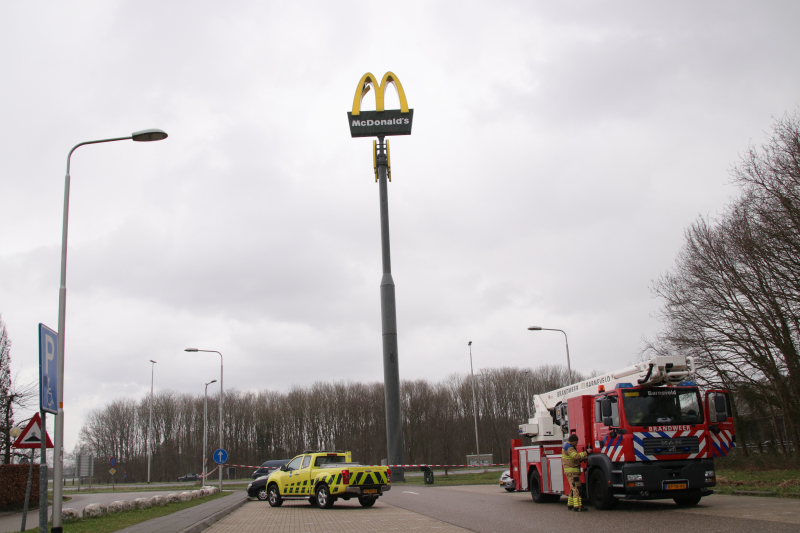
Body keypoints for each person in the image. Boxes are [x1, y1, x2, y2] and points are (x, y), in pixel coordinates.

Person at [562, 433, 591, 512]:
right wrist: (586, 452)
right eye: (576, 441)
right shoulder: (569, 447)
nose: (577, 443)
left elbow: (572, 459)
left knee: (573, 488)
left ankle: (570, 504)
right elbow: (575, 456)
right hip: (572, 472)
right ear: (573, 441)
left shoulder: (567, 446)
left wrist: (582, 459)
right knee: (577, 489)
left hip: (570, 472)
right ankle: (578, 507)